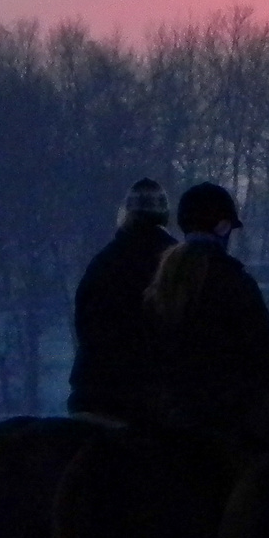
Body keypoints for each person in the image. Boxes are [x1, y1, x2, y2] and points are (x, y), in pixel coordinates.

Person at [145, 182, 269, 456]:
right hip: (232, 409)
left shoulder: (161, 283)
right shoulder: (233, 281)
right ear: (222, 227)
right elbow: (267, 356)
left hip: (171, 408)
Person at [67, 178, 176, 423]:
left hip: (92, 396)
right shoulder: (178, 263)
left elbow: (84, 327)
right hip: (153, 400)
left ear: (126, 214)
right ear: (165, 216)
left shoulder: (102, 263)